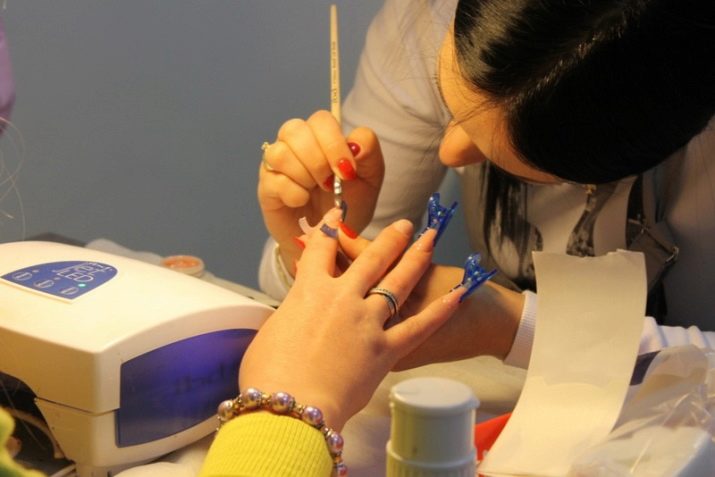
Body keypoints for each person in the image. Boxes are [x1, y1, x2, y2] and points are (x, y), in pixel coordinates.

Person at [257, 0, 715, 371]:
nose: (449, 152)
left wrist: (510, 325)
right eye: (447, 95)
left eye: (518, 163)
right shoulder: (431, 17)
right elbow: (341, 318)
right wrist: (314, 249)